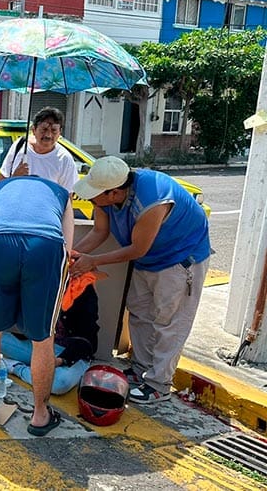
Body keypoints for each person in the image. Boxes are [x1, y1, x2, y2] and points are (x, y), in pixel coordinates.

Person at [71, 156, 211, 404]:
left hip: (179, 260)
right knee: (139, 310)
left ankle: (159, 384)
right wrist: (72, 256)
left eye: (95, 196)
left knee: (169, 321)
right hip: (149, 260)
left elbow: (138, 249)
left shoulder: (152, 200)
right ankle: (140, 369)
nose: (91, 200)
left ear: (114, 193)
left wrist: (93, 261)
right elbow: (99, 231)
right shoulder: (107, 196)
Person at [0, 175, 74, 436]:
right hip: (46, 246)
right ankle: (39, 415)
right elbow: (68, 251)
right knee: (42, 339)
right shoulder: (60, 193)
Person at [0, 283, 99, 396]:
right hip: (35, 347)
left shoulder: (81, 289)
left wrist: (57, 361)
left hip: (69, 354)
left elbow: (87, 342)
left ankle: (14, 368)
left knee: (59, 383)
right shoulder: (30, 285)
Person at [0, 106, 79, 191]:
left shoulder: (64, 159)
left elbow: (67, 197)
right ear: (34, 130)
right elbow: (1, 184)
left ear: (60, 132)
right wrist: (15, 178)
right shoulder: (19, 146)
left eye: (54, 130)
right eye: (44, 129)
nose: (48, 135)